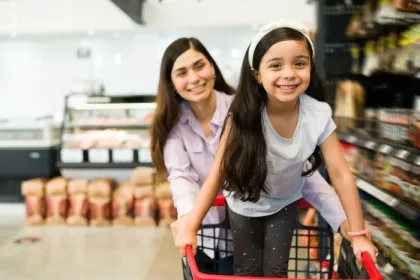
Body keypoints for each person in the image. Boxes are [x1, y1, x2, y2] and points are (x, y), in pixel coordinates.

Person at [171, 20, 377, 277]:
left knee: (276, 271)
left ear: (311, 67)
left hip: (284, 203)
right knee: (248, 271)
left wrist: (357, 234)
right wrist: (192, 224)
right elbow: (218, 173)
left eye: (299, 63)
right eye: (276, 65)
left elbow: (340, 173)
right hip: (243, 203)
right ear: (257, 74)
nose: (289, 73)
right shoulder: (243, 116)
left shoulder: (318, 115)